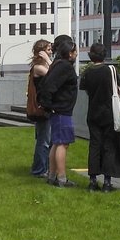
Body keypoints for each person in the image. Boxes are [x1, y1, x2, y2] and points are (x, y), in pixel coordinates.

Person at [79, 43, 120, 191]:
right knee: (108, 146)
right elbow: (118, 89)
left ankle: (93, 181)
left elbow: (86, 90)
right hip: (109, 113)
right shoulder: (110, 70)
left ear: (90, 56)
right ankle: (107, 181)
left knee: (94, 145)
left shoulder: (87, 72)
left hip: (93, 112)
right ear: (104, 55)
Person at [36, 35, 79, 188]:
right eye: (75, 52)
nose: (76, 54)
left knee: (57, 143)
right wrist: (49, 105)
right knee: (62, 144)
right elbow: (49, 87)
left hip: (58, 110)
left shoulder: (57, 65)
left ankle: (52, 175)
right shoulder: (65, 67)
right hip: (62, 110)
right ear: (69, 53)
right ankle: (61, 178)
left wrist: (49, 106)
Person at [26, 39, 53, 178]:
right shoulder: (39, 68)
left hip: (44, 108)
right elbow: (55, 75)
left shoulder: (40, 67)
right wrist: (48, 60)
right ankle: (39, 169)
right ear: (41, 52)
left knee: (45, 139)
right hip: (42, 109)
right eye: (48, 49)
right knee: (44, 140)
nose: (51, 52)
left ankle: (43, 168)